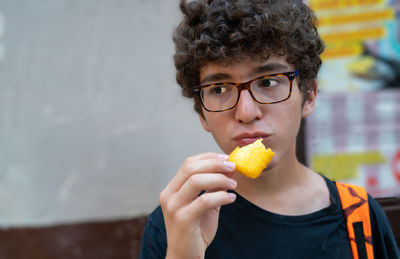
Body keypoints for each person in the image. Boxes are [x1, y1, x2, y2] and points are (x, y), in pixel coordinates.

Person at [139, 0, 400, 258]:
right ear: (202, 114)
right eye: (218, 89)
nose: (246, 112)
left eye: (268, 82)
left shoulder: (359, 215)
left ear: (308, 96)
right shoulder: (177, 224)